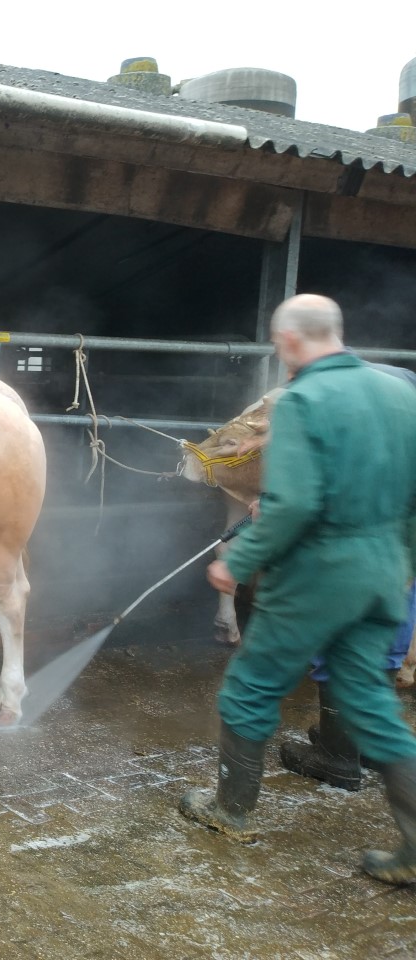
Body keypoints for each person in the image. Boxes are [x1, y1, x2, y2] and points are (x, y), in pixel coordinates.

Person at [179, 293, 416, 887]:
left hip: (315, 577)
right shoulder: (403, 395)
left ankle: (228, 811)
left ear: (288, 341)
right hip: (382, 574)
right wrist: (399, 559)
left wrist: (239, 563)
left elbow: (294, 504)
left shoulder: (303, 401)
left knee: (250, 689)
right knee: (370, 701)